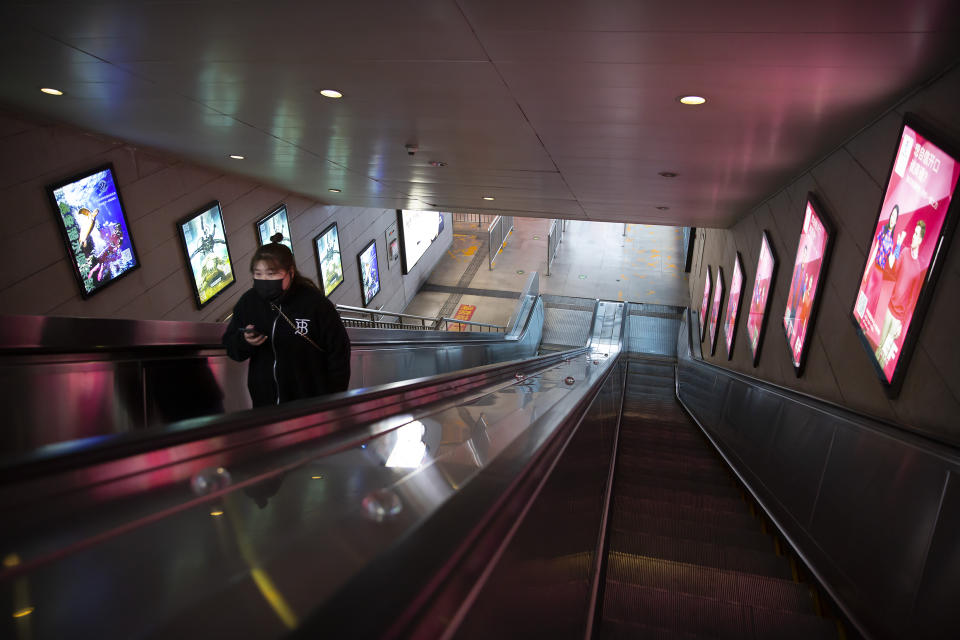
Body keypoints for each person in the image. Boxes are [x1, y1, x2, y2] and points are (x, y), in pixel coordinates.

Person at [223, 238, 351, 407]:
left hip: (310, 402)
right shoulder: (249, 303)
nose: (264, 280)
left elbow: (339, 352)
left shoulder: (315, 304)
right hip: (266, 403)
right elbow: (232, 348)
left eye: (272, 274)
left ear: (290, 272)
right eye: (258, 274)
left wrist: (333, 399)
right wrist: (245, 341)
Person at [875, 220, 927, 369]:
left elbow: (912, 299)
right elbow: (893, 270)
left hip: (898, 319)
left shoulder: (918, 269)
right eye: (914, 233)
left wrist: (902, 323)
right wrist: (898, 245)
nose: (914, 237)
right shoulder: (904, 252)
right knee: (879, 347)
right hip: (889, 309)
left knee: (884, 355)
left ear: (921, 239)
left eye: (917, 235)